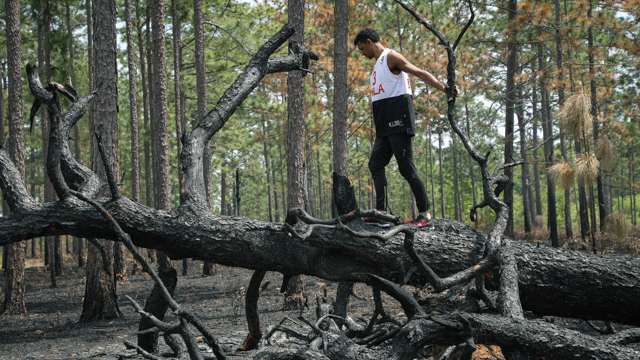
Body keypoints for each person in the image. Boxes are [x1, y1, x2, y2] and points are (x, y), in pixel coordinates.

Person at [354, 28, 457, 229]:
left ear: (368, 41)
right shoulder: (378, 65)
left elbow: (419, 72)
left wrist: (444, 88)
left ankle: (425, 215)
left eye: (361, 48)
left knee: (406, 167)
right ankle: (381, 213)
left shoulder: (390, 56)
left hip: (398, 121)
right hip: (384, 125)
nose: (362, 53)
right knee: (375, 164)